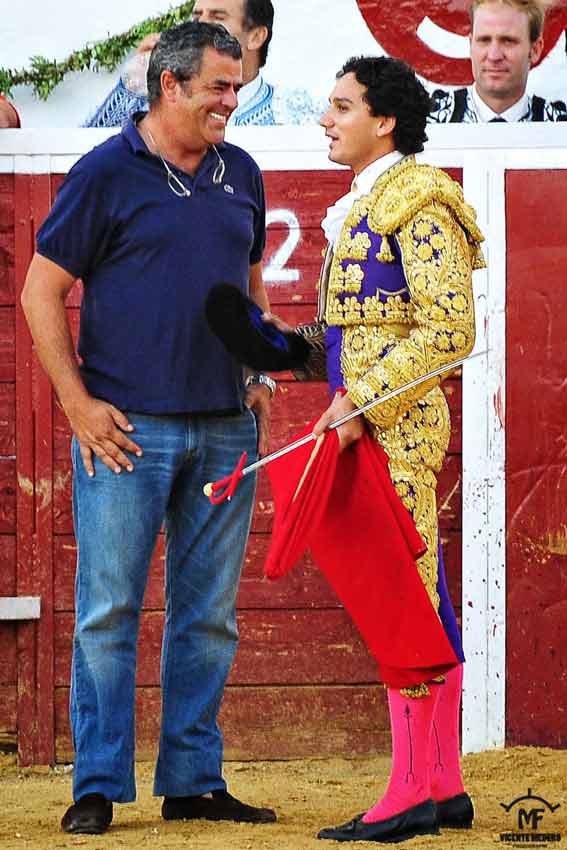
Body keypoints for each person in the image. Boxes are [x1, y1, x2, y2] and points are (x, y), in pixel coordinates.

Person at [21, 21, 277, 836]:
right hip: (125, 431)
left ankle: (194, 779)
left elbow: (249, 281)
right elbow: (39, 293)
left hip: (225, 427)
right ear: (169, 87)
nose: (230, 103)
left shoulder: (242, 170)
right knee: (108, 610)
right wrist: (77, 404)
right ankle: (97, 783)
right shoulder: (106, 172)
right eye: (217, 88)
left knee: (207, 614)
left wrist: (264, 362)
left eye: (234, 88)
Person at [276, 55, 484, 842]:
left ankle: (409, 793)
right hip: (370, 420)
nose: (325, 119)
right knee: (416, 594)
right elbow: (356, 333)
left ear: (384, 120)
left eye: (340, 106)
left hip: (395, 425)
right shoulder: (369, 203)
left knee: (402, 597)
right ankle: (442, 785)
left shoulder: (418, 201)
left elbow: (448, 332)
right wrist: (269, 349)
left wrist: (360, 398)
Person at [86, 0, 323, 128]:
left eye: (218, 17)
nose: (201, 26)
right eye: (198, 16)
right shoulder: (157, 102)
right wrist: (136, 87)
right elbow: (81, 163)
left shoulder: (294, 113)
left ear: (256, 36)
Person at [429, 0, 567, 122]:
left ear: (535, 50)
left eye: (508, 41)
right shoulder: (426, 124)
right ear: (471, 45)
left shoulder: (560, 128)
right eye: (484, 40)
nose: (494, 56)